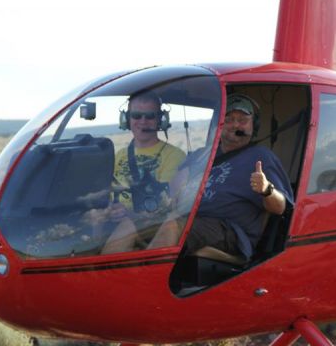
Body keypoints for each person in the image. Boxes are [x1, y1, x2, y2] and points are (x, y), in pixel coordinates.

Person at [149, 93, 293, 261]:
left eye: (242, 120)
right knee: (129, 227)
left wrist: (267, 189)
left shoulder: (261, 157)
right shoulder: (203, 155)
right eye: (229, 119)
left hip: (230, 231)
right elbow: (174, 187)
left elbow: (280, 207)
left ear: (254, 125)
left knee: (172, 227)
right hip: (191, 219)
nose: (235, 125)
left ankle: (145, 283)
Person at [100, 90, 186, 254]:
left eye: (150, 116)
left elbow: (166, 205)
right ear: (127, 119)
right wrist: (109, 210)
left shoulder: (174, 156)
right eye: (137, 116)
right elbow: (107, 193)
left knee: (126, 226)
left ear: (160, 119)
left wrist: (129, 215)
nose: (143, 121)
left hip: (150, 225)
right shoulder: (119, 156)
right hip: (113, 223)